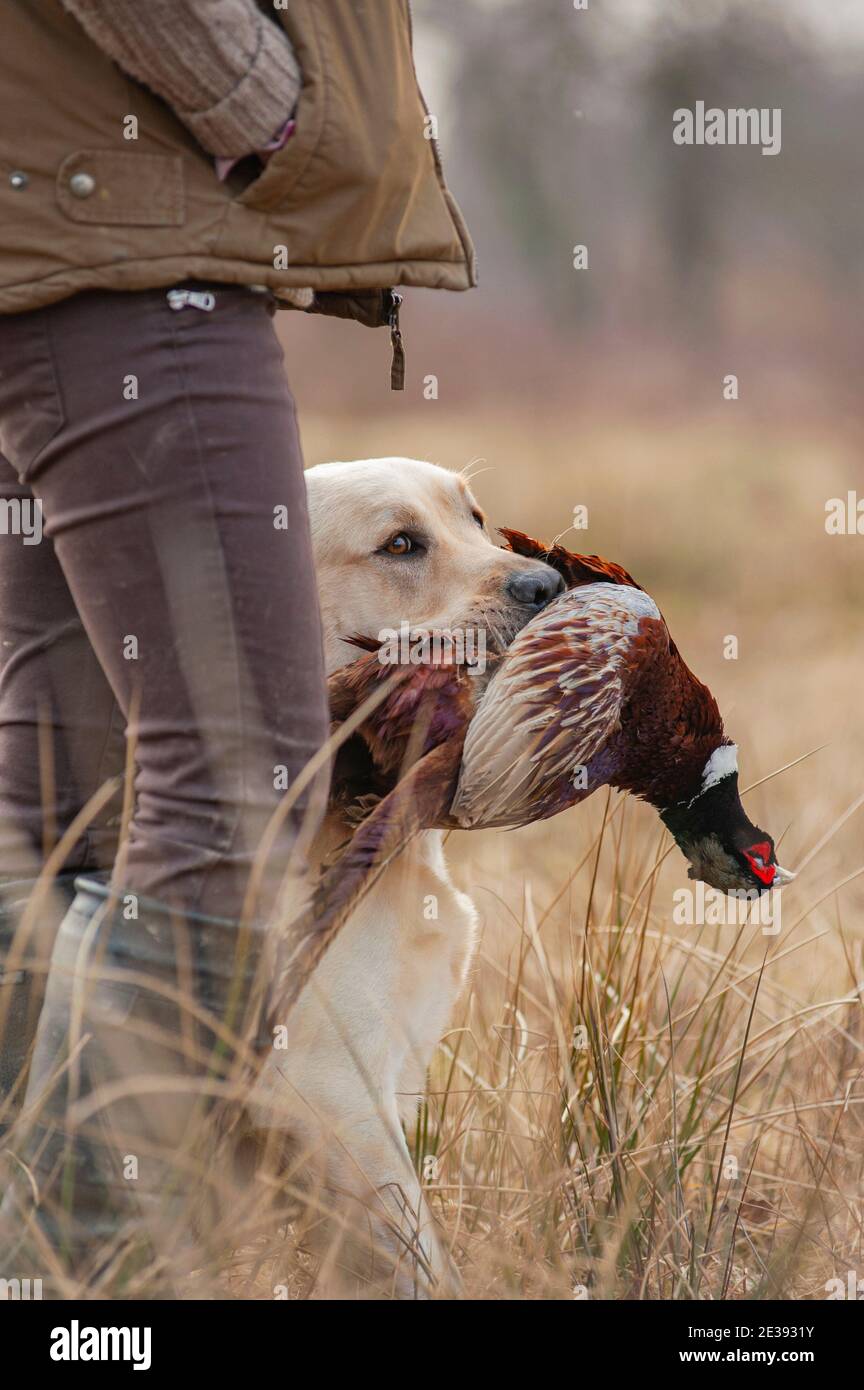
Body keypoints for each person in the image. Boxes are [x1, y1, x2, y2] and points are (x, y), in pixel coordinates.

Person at [0, 0, 474, 1290]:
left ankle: (34, 1272)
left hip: (61, 218)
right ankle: (89, 1285)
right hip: (119, 222)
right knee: (235, 769)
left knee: (63, 795)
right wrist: (268, 105)